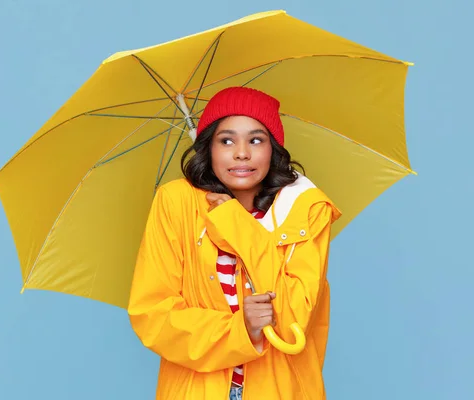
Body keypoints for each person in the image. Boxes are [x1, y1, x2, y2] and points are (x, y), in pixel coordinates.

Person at [127, 87, 341, 399]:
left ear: (274, 149)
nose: (242, 153)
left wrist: (235, 222)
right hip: (197, 391)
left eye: (256, 139)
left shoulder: (306, 210)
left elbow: (294, 321)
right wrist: (241, 329)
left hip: (280, 390)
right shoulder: (176, 202)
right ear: (209, 148)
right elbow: (154, 316)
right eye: (226, 140)